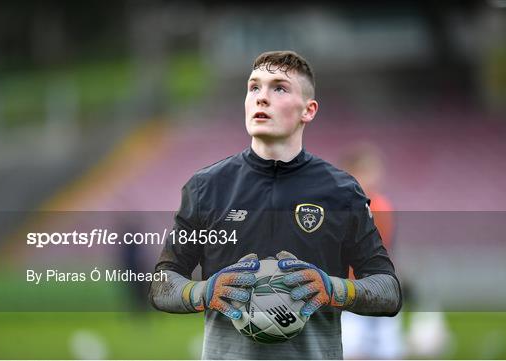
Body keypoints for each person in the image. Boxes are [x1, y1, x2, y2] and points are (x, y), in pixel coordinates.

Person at [149, 50, 402, 360]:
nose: (261, 97)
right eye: (254, 87)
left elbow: (388, 290)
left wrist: (334, 289)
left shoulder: (342, 192)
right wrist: (205, 291)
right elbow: (163, 283)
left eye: (279, 88)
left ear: (308, 111)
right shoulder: (206, 187)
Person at [338, 144, 404, 359]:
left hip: (379, 289)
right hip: (351, 292)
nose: (375, 177)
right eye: (368, 170)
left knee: (387, 350)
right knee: (351, 350)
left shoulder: (382, 206)